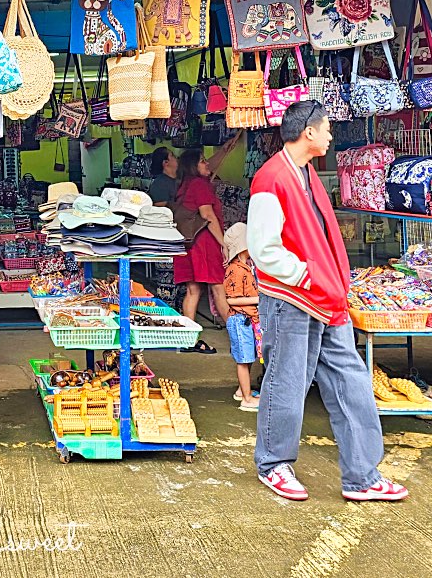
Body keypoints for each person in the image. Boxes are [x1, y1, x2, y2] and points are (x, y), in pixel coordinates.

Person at [247, 100, 407, 503]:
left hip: (326, 296)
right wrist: (305, 275)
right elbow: (262, 249)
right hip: (292, 295)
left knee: (351, 381)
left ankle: (363, 475)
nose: (331, 135)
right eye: (327, 128)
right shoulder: (271, 179)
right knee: (287, 380)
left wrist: (327, 281)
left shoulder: (304, 173)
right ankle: (274, 463)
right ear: (309, 133)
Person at [173, 149, 230, 352]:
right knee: (218, 289)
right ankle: (239, 339)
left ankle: (187, 341)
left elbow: (213, 164)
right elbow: (208, 215)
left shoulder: (185, 184)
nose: (207, 164)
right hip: (204, 244)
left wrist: (227, 146)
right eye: (202, 161)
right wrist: (224, 244)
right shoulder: (199, 185)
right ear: (193, 166)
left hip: (188, 244)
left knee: (192, 290)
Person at [222, 221, 261, 411]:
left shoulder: (247, 266)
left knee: (248, 356)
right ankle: (246, 399)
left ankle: (241, 390)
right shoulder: (236, 270)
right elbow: (231, 300)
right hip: (240, 320)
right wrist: (258, 299)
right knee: (243, 359)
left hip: (247, 319)